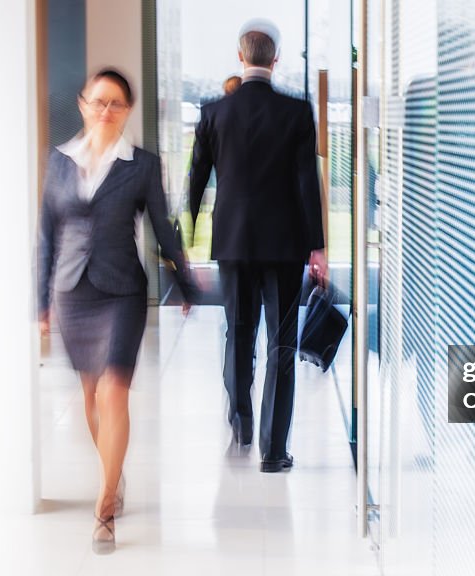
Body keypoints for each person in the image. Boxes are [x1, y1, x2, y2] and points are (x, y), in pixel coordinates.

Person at [38, 68, 198, 553]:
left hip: (122, 291)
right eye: (98, 101)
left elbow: (162, 228)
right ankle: (115, 471)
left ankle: (104, 509)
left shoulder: (142, 164)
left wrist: (185, 281)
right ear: (83, 104)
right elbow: (46, 235)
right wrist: (39, 305)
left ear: (126, 110)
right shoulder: (60, 161)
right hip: (73, 294)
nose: (106, 110)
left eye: (116, 103)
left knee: (114, 393)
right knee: (90, 399)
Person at [188, 19, 327, 473]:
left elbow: (196, 180)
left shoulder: (212, 113)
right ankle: (273, 450)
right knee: (281, 344)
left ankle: (241, 422)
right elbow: (308, 183)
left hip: (232, 241)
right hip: (284, 245)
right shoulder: (296, 113)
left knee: (238, 334)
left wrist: (188, 237)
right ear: (276, 60)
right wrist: (317, 247)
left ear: (241, 57)